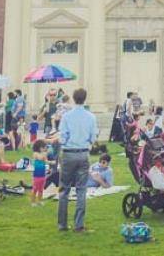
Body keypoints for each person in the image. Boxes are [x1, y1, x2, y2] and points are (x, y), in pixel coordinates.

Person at [57, 87, 98, 232]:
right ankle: (79, 225)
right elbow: (93, 137)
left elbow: (62, 136)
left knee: (64, 189)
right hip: (83, 153)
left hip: (68, 153)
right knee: (81, 190)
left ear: (73, 99)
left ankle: (62, 224)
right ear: (85, 98)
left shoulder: (67, 116)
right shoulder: (91, 117)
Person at [31, 139, 48, 207]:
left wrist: (51, 161)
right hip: (37, 175)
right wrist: (44, 154)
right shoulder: (35, 154)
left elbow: (46, 161)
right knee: (35, 188)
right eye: (44, 147)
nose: (45, 149)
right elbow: (40, 158)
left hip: (42, 174)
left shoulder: (44, 154)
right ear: (40, 148)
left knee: (41, 189)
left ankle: (40, 200)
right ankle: (33, 201)